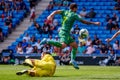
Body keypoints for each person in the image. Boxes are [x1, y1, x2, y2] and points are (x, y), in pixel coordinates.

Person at [40, 3, 100, 69]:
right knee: (63, 46)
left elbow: (56, 11)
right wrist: (94, 23)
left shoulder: (65, 11)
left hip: (66, 32)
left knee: (75, 46)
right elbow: (84, 22)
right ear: (74, 8)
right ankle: (47, 41)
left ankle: (72, 60)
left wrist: (51, 15)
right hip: (64, 32)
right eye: (76, 8)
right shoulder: (74, 15)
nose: (77, 9)